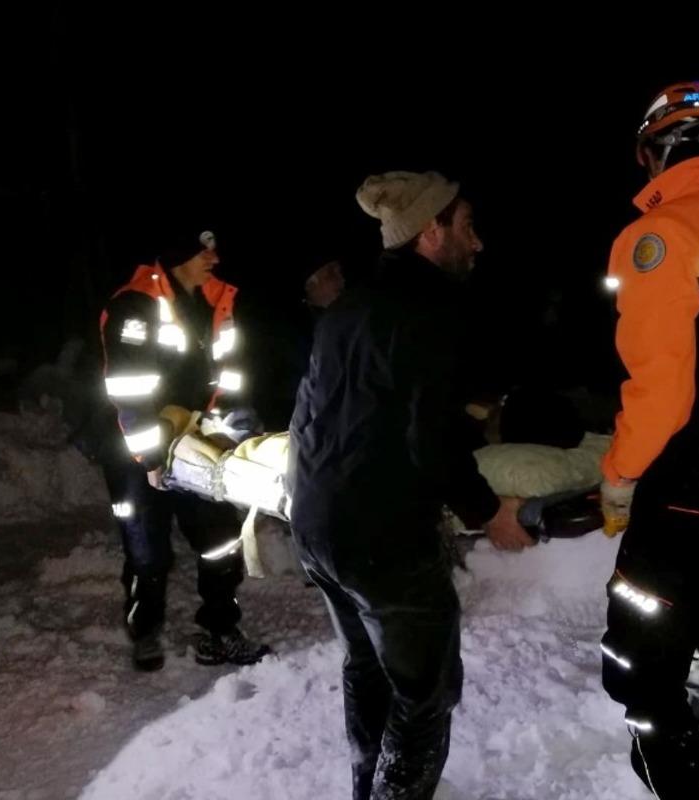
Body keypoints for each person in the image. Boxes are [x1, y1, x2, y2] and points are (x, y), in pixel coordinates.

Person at [289, 171, 534, 799]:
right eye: (467, 226)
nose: (476, 243)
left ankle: (366, 784)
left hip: (317, 526)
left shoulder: (346, 310)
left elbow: (308, 416)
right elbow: (435, 441)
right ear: (432, 231)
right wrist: (490, 513)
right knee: (425, 694)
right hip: (383, 540)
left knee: (366, 665)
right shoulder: (425, 314)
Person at [598, 82, 699, 797]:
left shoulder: (661, 236)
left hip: (689, 484)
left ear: (653, 153)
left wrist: (619, 475)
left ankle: (683, 773)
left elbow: (662, 388)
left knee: (639, 661)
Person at [99, 231, 269, 671]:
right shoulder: (134, 306)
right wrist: (151, 457)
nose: (214, 256)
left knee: (218, 539)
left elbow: (229, 373)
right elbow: (128, 389)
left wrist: (234, 423)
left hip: (196, 440)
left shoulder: (216, 300)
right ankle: (145, 630)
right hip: (136, 446)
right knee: (147, 550)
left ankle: (219, 629)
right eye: (202, 248)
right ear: (177, 255)